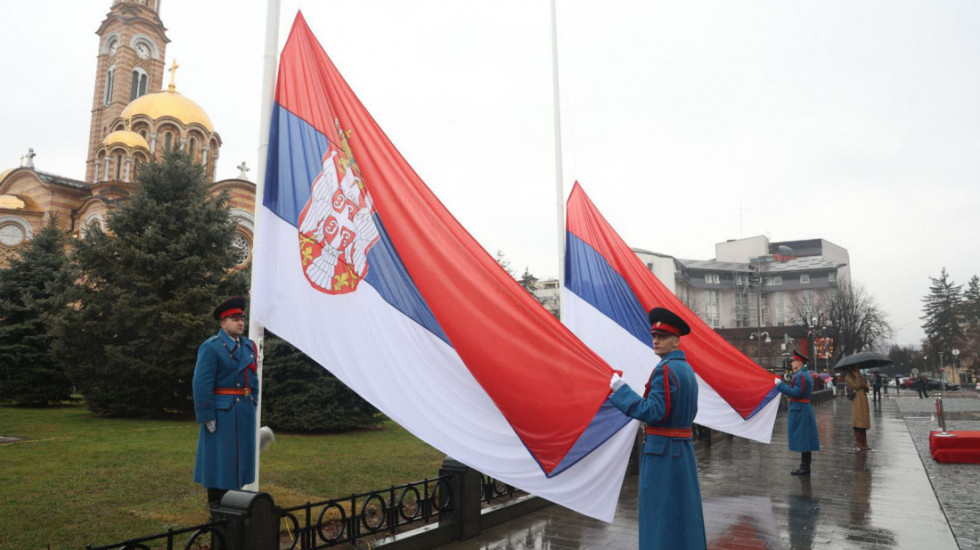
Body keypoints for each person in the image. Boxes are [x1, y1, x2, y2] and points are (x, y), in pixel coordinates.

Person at [609, 307, 706, 550]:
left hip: (661, 452)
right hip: (681, 449)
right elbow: (690, 412)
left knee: (659, 516)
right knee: (681, 514)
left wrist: (622, 392)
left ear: (676, 341)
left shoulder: (664, 369)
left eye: (662, 337)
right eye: (654, 336)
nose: (655, 341)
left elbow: (653, 411)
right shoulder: (686, 370)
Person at [193, 296, 259, 506]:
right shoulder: (211, 347)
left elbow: (253, 379)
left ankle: (235, 505)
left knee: (239, 461)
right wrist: (207, 415)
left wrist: (253, 402)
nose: (240, 322)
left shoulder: (248, 346)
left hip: (243, 412)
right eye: (234, 319)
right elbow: (201, 383)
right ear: (223, 323)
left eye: (241, 318)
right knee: (220, 462)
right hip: (222, 414)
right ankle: (217, 507)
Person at [774, 350, 820, 475]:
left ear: (799, 362)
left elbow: (796, 393)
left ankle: (805, 467)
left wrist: (781, 385)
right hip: (802, 409)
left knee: (805, 439)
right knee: (805, 439)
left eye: (793, 361)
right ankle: (804, 466)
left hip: (801, 410)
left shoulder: (800, 376)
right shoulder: (801, 374)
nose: (791, 363)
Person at [844, 366, 871, 451]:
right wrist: (859, 379)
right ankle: (859, 442)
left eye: (859, 367)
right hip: (856, 401)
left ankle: (864, 442)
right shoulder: (848, 377)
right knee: (858, 420)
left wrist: (867, 386)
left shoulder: (861, 376)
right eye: (856, 368)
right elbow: (855, 385)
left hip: (863, 400)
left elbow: (865, 389)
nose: (858, 369)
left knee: (863, 420)